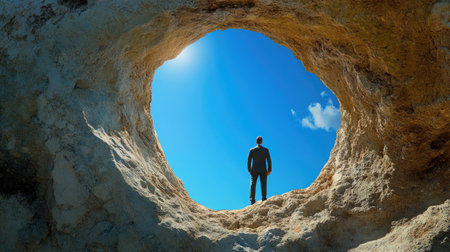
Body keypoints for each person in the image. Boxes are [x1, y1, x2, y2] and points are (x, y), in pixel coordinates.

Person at [247, 136, 272, 205]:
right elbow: (269, 160)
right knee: (263, 183)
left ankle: (252, 200)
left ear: (256, 142)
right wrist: (269, 169)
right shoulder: (266, 150)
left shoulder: (252, 150)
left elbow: (249, 161)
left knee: (253, 184)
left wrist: (249, 169)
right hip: (263, 169)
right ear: (262, 142)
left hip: (254, 169)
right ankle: (264, 198)